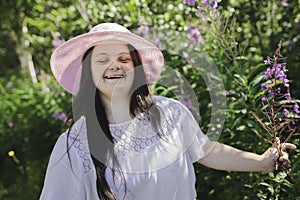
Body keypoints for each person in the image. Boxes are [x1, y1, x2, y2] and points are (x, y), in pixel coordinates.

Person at [40, 23, 296, 200]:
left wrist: (263, 162)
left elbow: (207, 151)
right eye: (102, 59)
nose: (114, 66)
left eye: (124, 59)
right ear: (89, 72)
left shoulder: (170, 113)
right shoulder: (74, 144)